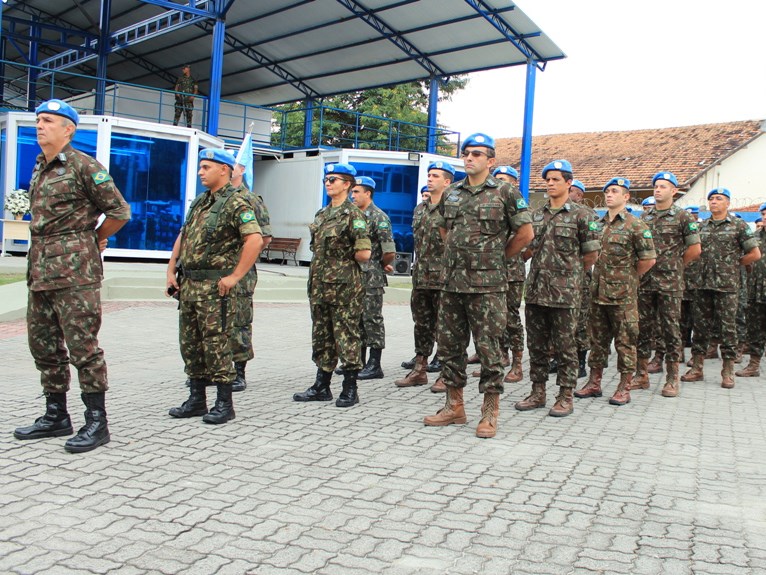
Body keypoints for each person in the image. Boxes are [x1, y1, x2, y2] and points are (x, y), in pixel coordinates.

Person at [14, 99, 131, 453]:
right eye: (38, 120)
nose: (40, 126)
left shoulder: (83, 166)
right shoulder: (40, 166)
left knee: (83, 348)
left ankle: (97, 422)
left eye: (48, 121)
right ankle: (56, 415)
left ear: (68, 129)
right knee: (44, 346)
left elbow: (119, 211)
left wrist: (93, 238)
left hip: (75, 274)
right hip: (40, 270)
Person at [423, 133, 533, 439]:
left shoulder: (506, 192)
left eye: (477, 154)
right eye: (466, 153)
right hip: (453, 284)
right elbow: (446, 230)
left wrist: (498, 258)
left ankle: (489, 411)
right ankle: (454, 406)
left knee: (489, 349)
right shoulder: (453, 192)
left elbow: (525, 234)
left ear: (491, 160)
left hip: (488, 287)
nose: (470, 158)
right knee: (450, 346)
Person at [166, 149, 264, 424]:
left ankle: (224, 403)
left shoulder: (236, 203)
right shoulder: (199, 202)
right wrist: (171, 269)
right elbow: (184, 235)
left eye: (206, 167)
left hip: (215, 288)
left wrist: (235, 276)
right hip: (190, 285)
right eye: (200, 167)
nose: (200, 172)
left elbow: (255, 240)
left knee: (217, 343)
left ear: (224, 169)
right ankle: (197, 399)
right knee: (191, 343)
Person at [515, 160, 600, 417]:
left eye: (555, 180)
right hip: (536, 291)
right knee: (537, 345)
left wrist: (569, 276)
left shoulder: (583, 215)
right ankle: (537, 391)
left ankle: (565, 395)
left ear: (568, 183)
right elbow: (527, 251)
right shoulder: (536, 214)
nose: (550, 184)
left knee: (566, 347)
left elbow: (591, 256)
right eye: (547, 180)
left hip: (566, 294)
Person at [293, 163, 371, 407]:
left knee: (346, 334)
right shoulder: (322, 214)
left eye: (334, 179)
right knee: (322, 334)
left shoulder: (354, 215)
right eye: (327, 179)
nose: (329, 183)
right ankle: (322, 385)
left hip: (344, 285)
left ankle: (350, 388)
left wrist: (342, 264)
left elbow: (364, 253)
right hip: (319, 285)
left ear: (347, 185)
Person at [575, 178, 656, 405]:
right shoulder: (598, 225)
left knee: (625, 342)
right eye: (607, 191)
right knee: (597, 341)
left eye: (614, 191)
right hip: (597, 294)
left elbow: (648, 259)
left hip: (623, 297)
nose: (609, 195)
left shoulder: (636, 225)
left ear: (626, 196)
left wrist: (629, 279)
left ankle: (624, 386)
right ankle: (594, 382)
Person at [681, 188, 760, 388]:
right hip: (703, 284)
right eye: (711, 199)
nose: (714, 201)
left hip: (727, 287)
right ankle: (697, 367)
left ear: (728, 203)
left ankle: (727, 371)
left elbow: (755, 253)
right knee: (700, 327)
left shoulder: (738, 225)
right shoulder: (702, 226)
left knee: (728, 329)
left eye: (719, 198)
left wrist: (734, 263)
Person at [633, 172, 701, 398]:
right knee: (643, 328)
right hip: (646, 281)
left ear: (673, 191)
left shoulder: (683, 217)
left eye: (663, 186)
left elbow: (695, 249)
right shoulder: (646, 218)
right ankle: (641, 374)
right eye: (656, 186)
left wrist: (676, 266)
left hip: (670, 283)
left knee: (671, 328)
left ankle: (672, 378)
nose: (658, 190)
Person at [396, 162, 454, 389]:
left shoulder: (453, 208)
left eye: (435, 176)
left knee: (446, 326)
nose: (430, 179)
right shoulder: (420, 209)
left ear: (447, 182)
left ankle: (445, 374)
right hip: (421, 276)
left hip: (444, 277)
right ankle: (419, 369)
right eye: (429, 175)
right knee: (421, 324)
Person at [229, 161, 273, 391]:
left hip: (241, 272)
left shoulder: (251, 200)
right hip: (212, 272)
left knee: (239, 321)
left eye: (233, 164)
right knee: (211, 322)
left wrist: (244, 261)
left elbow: (264, 237)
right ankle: (210, 369)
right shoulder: (210, 199)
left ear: (242, 169)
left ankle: (238, 372)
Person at [350, 176, 396, 380]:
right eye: (352, 192)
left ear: (368, 193)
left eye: (357, 192)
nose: (353, 195)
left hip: (371, 277)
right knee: (356, 320)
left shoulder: (379, 217)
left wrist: (379, 264)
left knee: (372, 320)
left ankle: (374, 364)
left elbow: (389, 250)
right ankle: (357, 361)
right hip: (353, 275)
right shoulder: (352, 215)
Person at [492, 165, 526, 383]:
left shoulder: (518, 205)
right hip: (493, 272)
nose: (499, 182)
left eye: (504, 179)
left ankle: (517, 363)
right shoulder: (492, 204)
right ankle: (499, 357)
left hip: (512, 271)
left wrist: (509, 256)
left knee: (511, 318)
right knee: (494, 317)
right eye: (497, 178)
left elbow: (527, 238)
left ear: (513, 182)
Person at [568, 178, 598, 379]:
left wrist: (579, 271)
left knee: (580, 321)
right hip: (557, 281)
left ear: (579, 195)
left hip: (579, 279)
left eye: (571, 191)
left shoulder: (588, 216)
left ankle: (580, 361)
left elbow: (592, 252)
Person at [736, 202, 766, 377]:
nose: (765, 217)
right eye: (763, 214)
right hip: (756, 292)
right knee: (755, 330)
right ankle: (754, 365)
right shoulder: (754, 238)